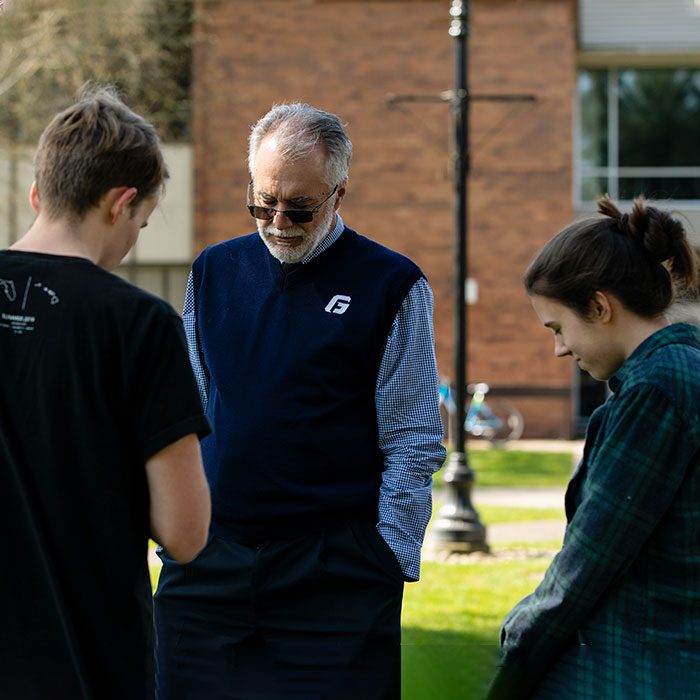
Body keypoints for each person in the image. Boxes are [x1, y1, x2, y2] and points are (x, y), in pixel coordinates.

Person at [154, 103, 446, 700]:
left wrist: (386, 557)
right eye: (263, 202)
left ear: (339, 193)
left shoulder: (393, 284)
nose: (278, 220)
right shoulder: (213, 270)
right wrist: (176, 537)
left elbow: (413, 436)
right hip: (209, 566)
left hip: (335, 574)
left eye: (300, 207)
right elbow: (188, 410)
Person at [0, 86, 212, 700]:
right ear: (122, 204)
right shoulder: (141, 325)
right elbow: (185, 532)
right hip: (87, 664)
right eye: (142, 225)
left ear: (40, 194)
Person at [486, 195, 700, 699]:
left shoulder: (656, 391)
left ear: (600, 306)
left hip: (639, 671)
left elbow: (586, 564)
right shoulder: (681, 374)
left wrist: (517, 644)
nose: (560, 349)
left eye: (559, 328)